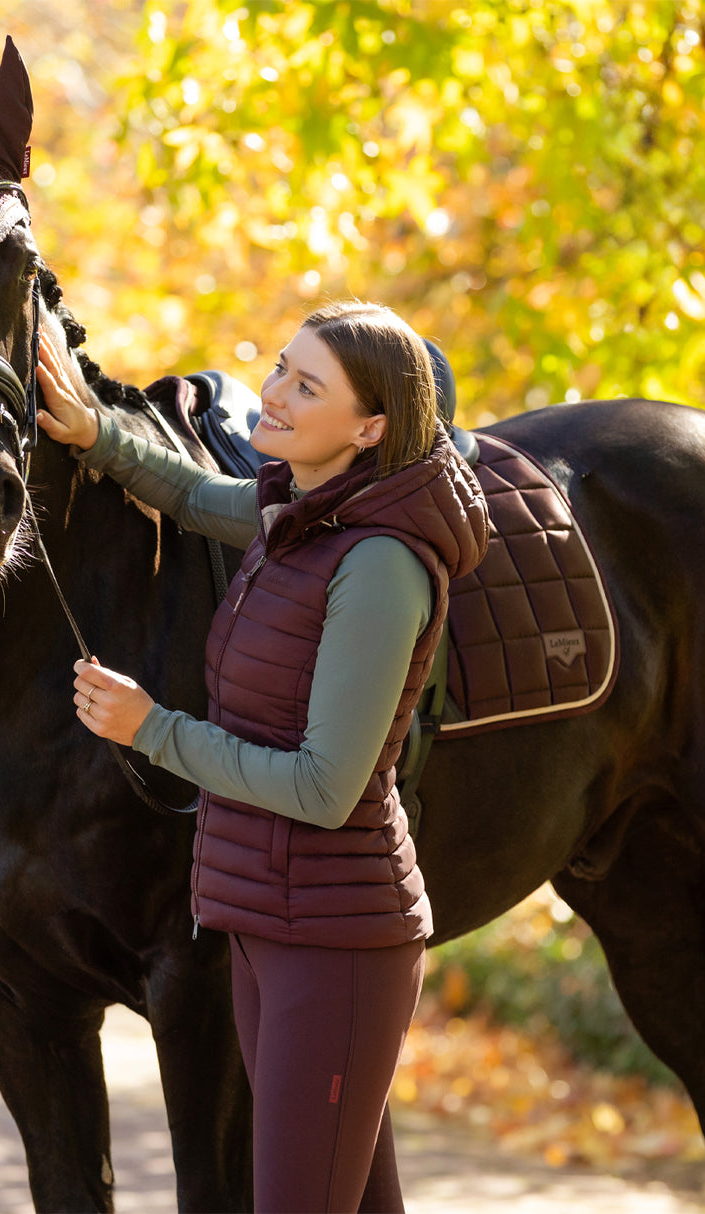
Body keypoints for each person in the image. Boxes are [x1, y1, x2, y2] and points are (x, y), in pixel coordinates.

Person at [35, 300, 488, 1213]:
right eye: (282, 367)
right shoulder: (299, 510)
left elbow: (324, 789)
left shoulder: (378, 564)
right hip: (264, 922)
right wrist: (97, 435)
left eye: (305, 385)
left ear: (370, 428)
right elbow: (196, 497)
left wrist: (152, 729)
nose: (270, 396)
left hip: (335, 945)